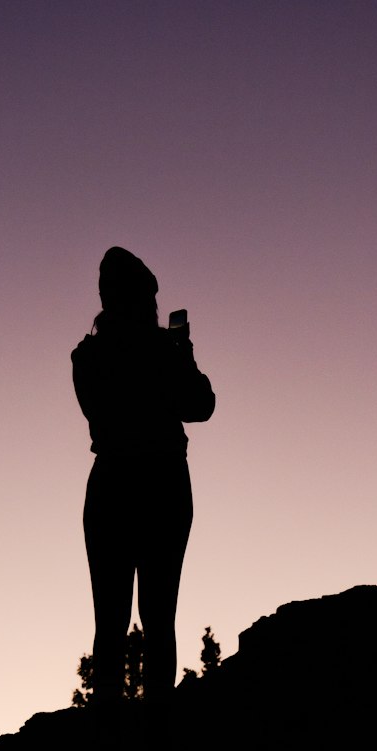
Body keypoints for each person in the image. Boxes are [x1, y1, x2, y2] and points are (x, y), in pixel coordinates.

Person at [72, 247, 215, 705]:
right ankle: (157, 726)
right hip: (161, 483)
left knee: (110, 622)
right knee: (158, 617)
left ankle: (107, 728)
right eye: (150, 300)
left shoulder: (87, 356)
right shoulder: (161, 352)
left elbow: (100, 411)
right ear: (140, 300)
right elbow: (200, 406)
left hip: (113, 483)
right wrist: (182, 354)